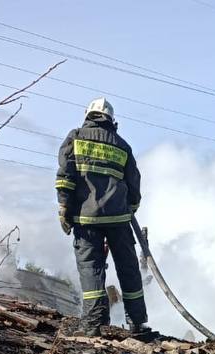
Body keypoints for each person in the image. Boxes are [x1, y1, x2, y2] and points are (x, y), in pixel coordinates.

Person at [56, 97, 151, 337]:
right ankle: (137, 323)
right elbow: (134, 186)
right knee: (128, 268)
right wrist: (130, 208)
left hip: (86, 220)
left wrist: (64, 208)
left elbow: (65, 177)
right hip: (119, 219)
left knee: (91, 268)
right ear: (111, 119)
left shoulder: (75, 138)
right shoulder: (122, 145)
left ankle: (93, 324)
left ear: (88, 115)